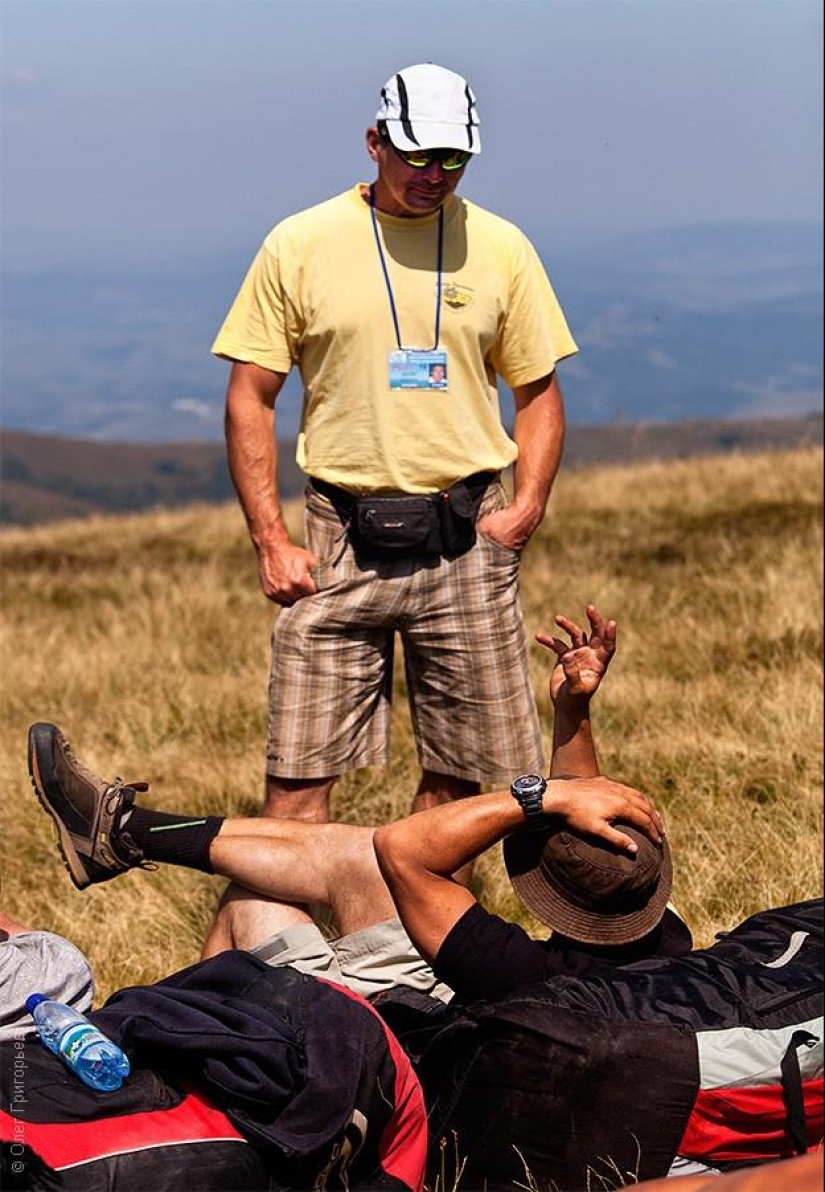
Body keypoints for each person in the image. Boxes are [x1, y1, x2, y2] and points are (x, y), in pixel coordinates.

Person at [211, 60, 577, 945]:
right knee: (297, 784)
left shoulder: (501, 246)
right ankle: (258, 979)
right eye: (416, 155)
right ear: (375, 141)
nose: (433, 174)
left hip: (467, 539)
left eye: (452, 159)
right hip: (339, 538)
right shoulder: (298, 243)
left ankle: (394, 951)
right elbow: (249, 395)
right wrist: (270, 537)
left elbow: (537, 391)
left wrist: (524, 505)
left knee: (467, 778)